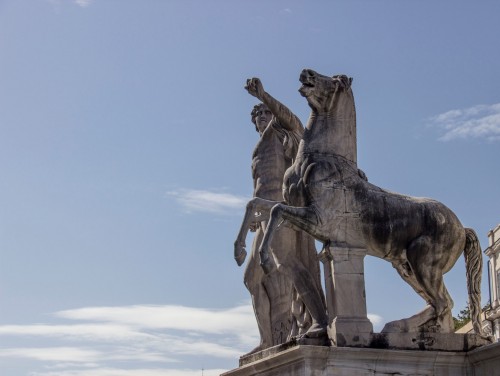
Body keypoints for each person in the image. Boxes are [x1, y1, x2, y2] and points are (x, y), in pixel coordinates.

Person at [238, 78, 327, 354]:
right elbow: (258, 185)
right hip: (262, 213)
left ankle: (321, 320)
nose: (264, 116)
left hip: (280, 209)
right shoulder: (257, 149)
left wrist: (264, 96)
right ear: (254, 123)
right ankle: (267, 341)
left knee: (289, 264)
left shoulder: (279, 131)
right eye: (259, 115)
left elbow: (291, 119)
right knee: (251, 279)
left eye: (266, 112)